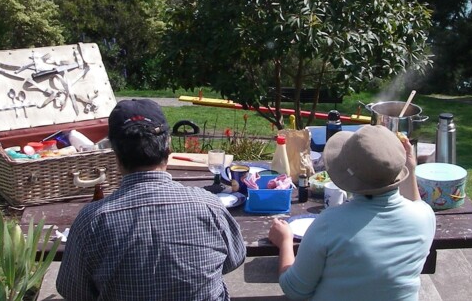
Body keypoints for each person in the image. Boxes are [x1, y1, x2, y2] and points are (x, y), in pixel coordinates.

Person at [57, 99, 246, 301]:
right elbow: (233, 259)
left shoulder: (91, 220)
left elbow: (74, 291)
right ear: (168, 148)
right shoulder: (209, 205)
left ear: (116, 155)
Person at [268, 125, 436, 301]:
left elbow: (295, 290)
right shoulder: (424, 216)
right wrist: (410, 168)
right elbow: (416, 204)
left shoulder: (330, 223)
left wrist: (285, 241)